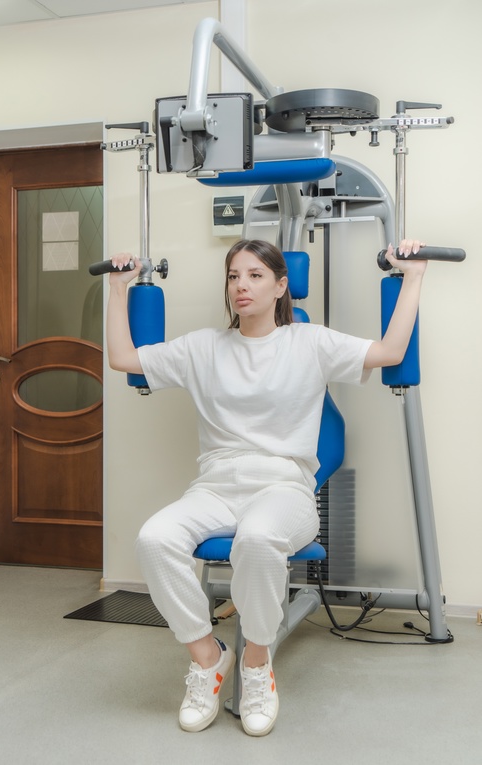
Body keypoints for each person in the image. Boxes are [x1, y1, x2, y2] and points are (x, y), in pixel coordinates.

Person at [106, 237, 426, 737]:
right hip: (214, 487)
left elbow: (390, 351)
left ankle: (256, 664)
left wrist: (414, 277)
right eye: (234, 276)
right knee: (154, 538)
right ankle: (208, 657)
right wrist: (117, 287)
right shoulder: (203, 347)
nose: (242, 286)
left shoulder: (310, 342)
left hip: (284, 488)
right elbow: (123, 359)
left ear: (281, 286)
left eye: (255, 275)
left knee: (257, 538)